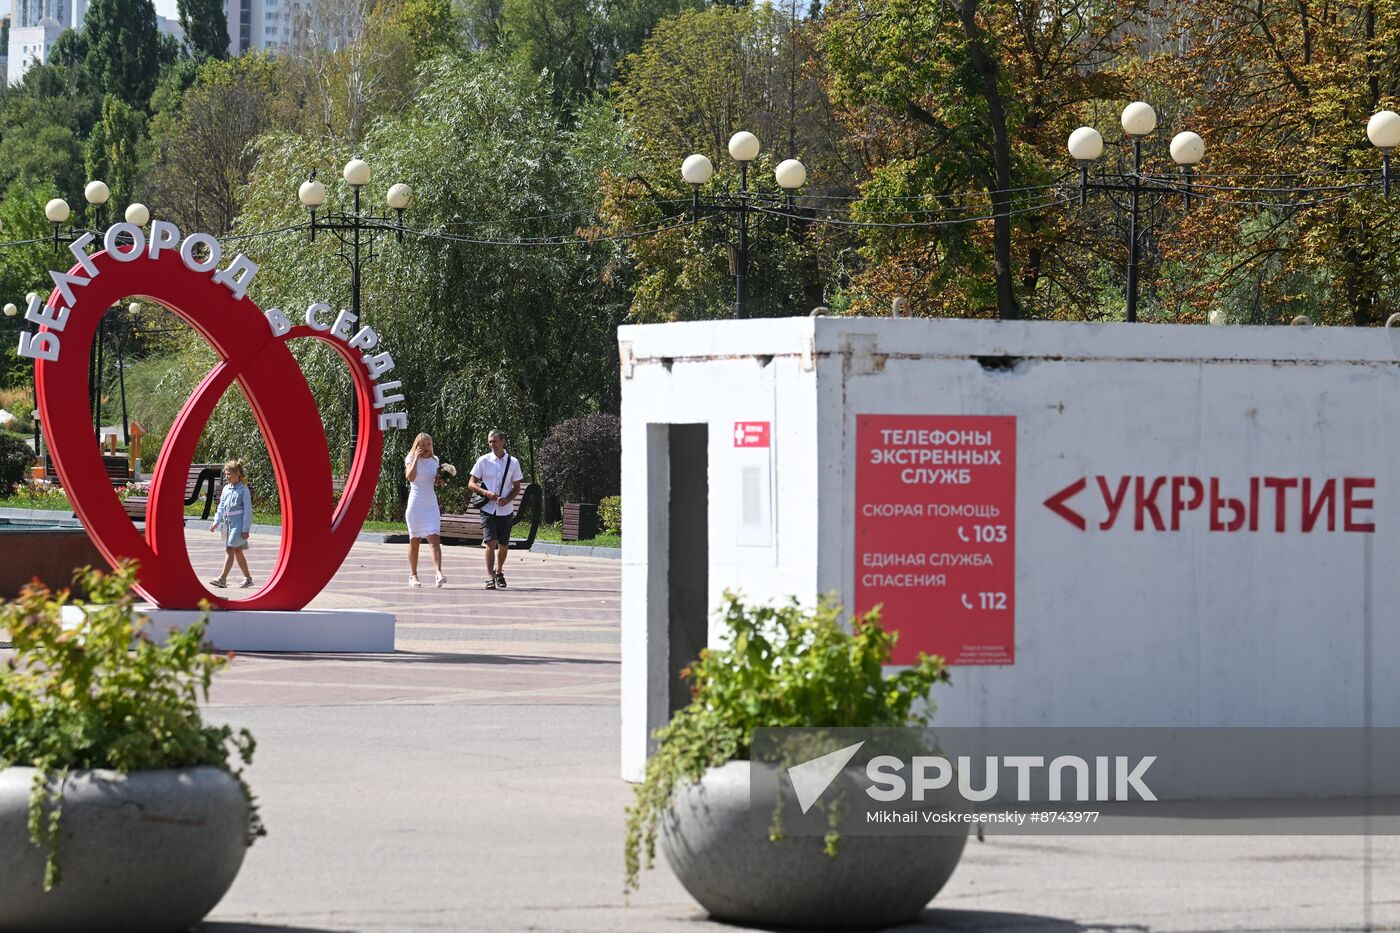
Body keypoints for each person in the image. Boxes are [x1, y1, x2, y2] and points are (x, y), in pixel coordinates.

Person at [468, 429, 523, 590]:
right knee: (490, 542)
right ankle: (490, 577)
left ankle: (499, 571)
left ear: (503, 441)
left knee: (504, 544)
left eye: (495, 441)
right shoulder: (483, 460)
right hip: (487, 509)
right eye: (490, 441)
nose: (492, 444)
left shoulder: (513, 462)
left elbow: (517, 487)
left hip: (505, 511)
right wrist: (486, 493)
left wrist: (508, 499)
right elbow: (471, 483)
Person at [404, 432, 446, 588]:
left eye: (428, 444)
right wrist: (416, 458)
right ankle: (413, 575)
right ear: (417, 446)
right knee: (414, 540)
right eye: (422, 445)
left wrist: (440, 482)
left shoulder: (435, 461)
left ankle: (438, 573)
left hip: (430, 504)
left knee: (434, 538)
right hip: (416, 503)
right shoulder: (410, 459)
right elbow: (410, 477)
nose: (426, 448)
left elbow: (432, 481)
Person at [208, 460, 254, 589]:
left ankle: (222, 579)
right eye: (226, 474)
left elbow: (248, 511)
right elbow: (221, 507)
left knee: (229, 549)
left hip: (238, 525)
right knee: (238, 551)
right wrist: (216, 521)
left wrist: (245, 529)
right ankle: (248, 579)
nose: (227, 476)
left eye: (229, 474)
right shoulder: (226, 489)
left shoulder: (243, 490)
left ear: (238, 474)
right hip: (228, 524)